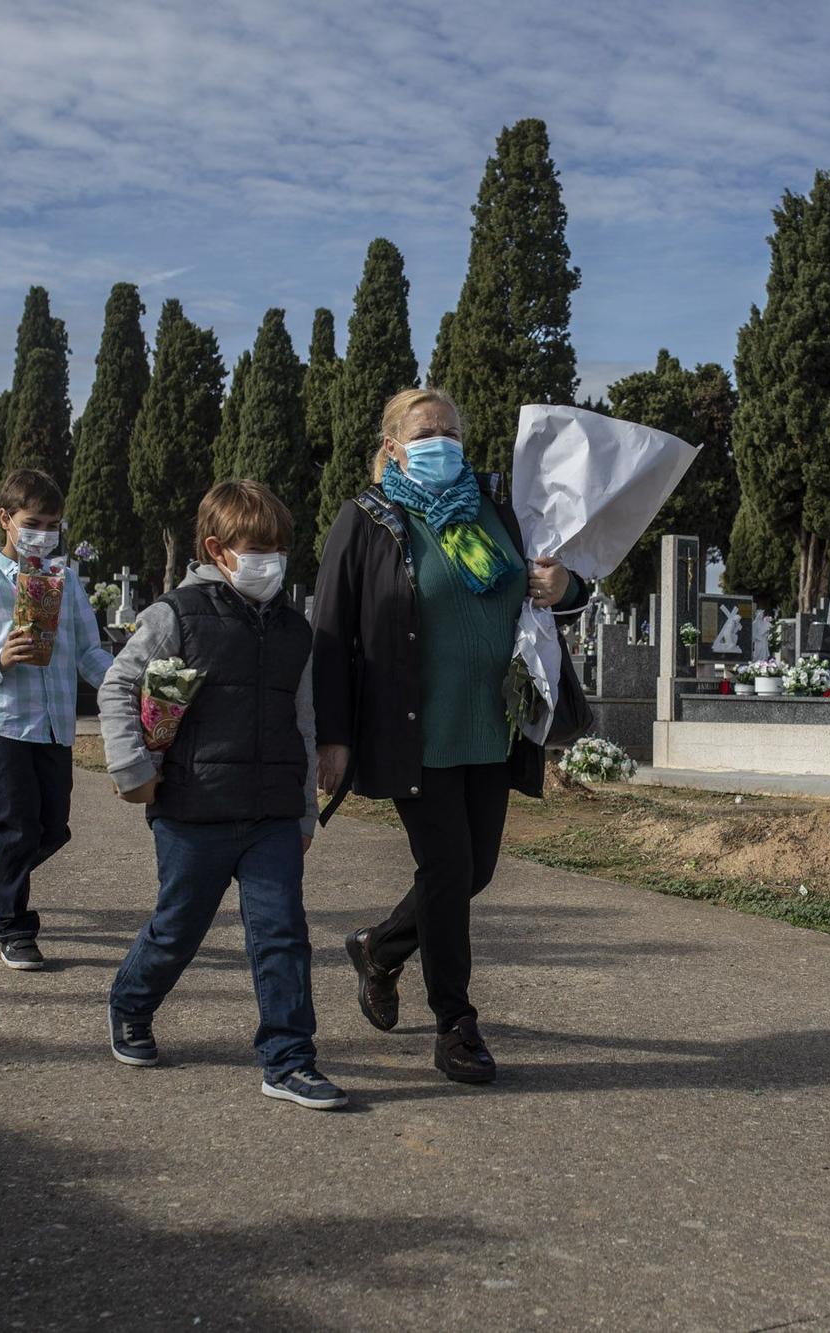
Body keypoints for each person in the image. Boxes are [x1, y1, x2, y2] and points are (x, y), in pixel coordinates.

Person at [313, 388, 587, 1085]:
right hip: (417, 732)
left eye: (451, 430)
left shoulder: (498, 510)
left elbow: (557, 583)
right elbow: (332, 633)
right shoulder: (367, 520)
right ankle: (455, 1022)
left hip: (491, 728)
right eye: (424, 430)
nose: (440, 439)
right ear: (393, 446)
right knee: (445, 868)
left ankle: (379, 947)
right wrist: (333, 734)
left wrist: (567, 585)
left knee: (475, 870)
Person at [98, 480, 345, 1110]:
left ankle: (288, 1060)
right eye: (257, 548)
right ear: (218, 548)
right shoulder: (176, 615)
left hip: (271, 816)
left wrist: (305, 809)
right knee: (178, 928)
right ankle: (131, 1002)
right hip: (192, 810)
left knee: (283, 934)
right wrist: (133, 771)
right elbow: (119, 687)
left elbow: (304, 719)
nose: (272, 561)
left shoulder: (295, 630)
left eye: (280, 549)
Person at [0, 468, 113, 971]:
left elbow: (89, 653)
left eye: (53, 525)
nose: (44, 534)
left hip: (54, 725)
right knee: (17, 827)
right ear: (5, 519)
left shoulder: (66, 582)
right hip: (1, 724)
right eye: (34, 522)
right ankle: (14, 926)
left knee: (52, 828)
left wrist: (126, 686)